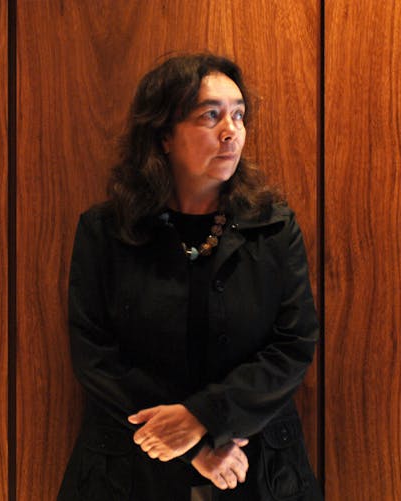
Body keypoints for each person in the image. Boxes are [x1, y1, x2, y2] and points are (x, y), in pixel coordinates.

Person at [58, 53, 322, 500]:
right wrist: (195, 447)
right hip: (129, 474)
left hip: (257, 471)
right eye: (210, 116)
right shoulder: (106, 231)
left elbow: (294, 345)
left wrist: (206, 417)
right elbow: (95, 355)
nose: (231, 131)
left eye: (239, 115)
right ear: (164, 136)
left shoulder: (273, 228)